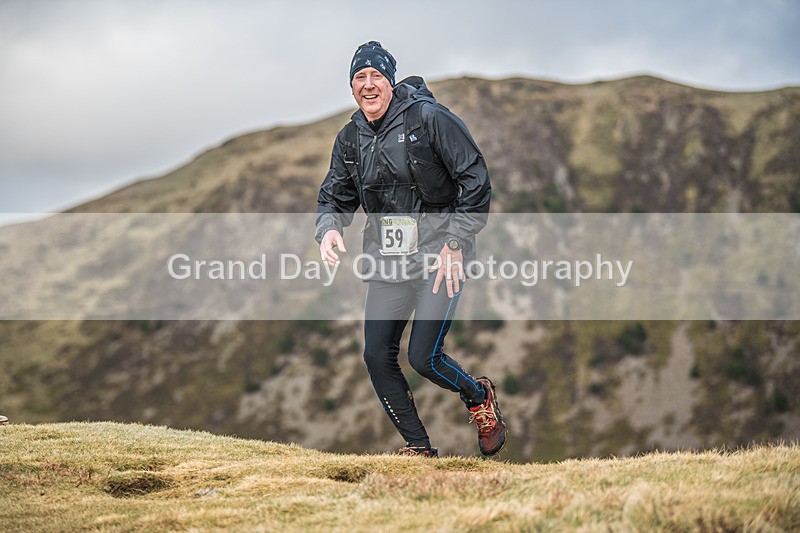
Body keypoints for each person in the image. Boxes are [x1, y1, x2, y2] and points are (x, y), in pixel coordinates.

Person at [315, 41, 506, 457]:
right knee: (376, 355)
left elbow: (476, 180)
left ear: (390, 81)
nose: (368, 85)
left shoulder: (429, 119)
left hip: (441, 257)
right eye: (359, 77)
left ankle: (478, 397)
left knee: (423, 357)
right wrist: (329, 228)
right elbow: (333, 196)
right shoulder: (350, 139)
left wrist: (455, 241)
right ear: (351, 87)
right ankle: (419, 447)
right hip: (388, 262)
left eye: (376, 76)